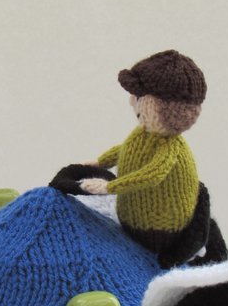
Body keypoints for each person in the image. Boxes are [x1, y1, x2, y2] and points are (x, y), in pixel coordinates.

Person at [80, 49, 208, 268]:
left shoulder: (169, 148)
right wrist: (101, 162)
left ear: (161, 107)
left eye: (139, 97)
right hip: (130, 221)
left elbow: (151, 175)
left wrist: (110, 187)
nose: (132, 101)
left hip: (159, 229)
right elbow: (127, 149)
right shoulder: (143, 134)